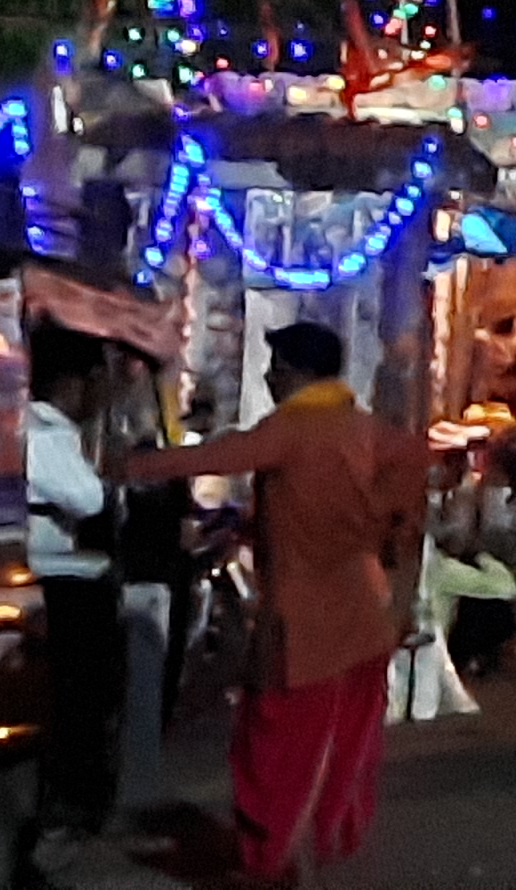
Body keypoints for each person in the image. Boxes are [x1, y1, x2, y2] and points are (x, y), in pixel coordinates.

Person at [120, 321, 430, 886]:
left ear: (297, 371)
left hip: (306, 620)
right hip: (368, 610)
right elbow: (392, 504)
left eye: (276, 365)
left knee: (279, 742)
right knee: (343, 743)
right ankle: (319, 847)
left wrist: (128, 465)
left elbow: (220, 457)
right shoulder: (370, 431)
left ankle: (274, 860)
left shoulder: (297, 427)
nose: (268, 375)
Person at [26, 355, 125, 831]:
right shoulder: (42, 433)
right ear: (74, 382)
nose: (105, 394)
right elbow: (87, 497)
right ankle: (71, 796)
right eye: (100, 380)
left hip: (52, 574)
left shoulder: (51, 431)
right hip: (51, 581)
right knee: (76, 696)